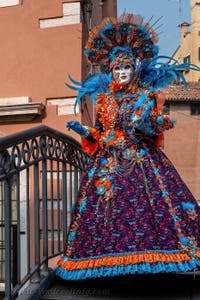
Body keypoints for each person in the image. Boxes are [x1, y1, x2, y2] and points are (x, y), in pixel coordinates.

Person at [56, 13, 200, 280]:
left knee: (150, 211)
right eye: (117, 69)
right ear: (110, 71)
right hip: (108, 164)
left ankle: (149, 262)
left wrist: (151, 121)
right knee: (105, 213)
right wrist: (83, 130)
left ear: (135, 69)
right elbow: (99, 134)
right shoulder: (104, 100)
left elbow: (155, 125)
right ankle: (104, 264)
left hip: (140, 160)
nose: (122, 73)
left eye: (126, 68)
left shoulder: (145, 96)